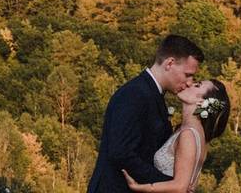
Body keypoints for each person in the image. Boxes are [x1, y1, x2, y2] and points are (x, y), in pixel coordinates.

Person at [86, 35, 205, 193]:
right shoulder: (135, 94)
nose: (190, 82)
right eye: (187, 74)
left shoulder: (153, 96)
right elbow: (121, 152)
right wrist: (169, 184)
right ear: (169, 63)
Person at [121, 79, 230, 193]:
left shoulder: (188, 135)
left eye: (197, 85)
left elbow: (180, 187)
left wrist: (140, 187)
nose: (189, 84)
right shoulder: (193, 133)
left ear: (201, 102)